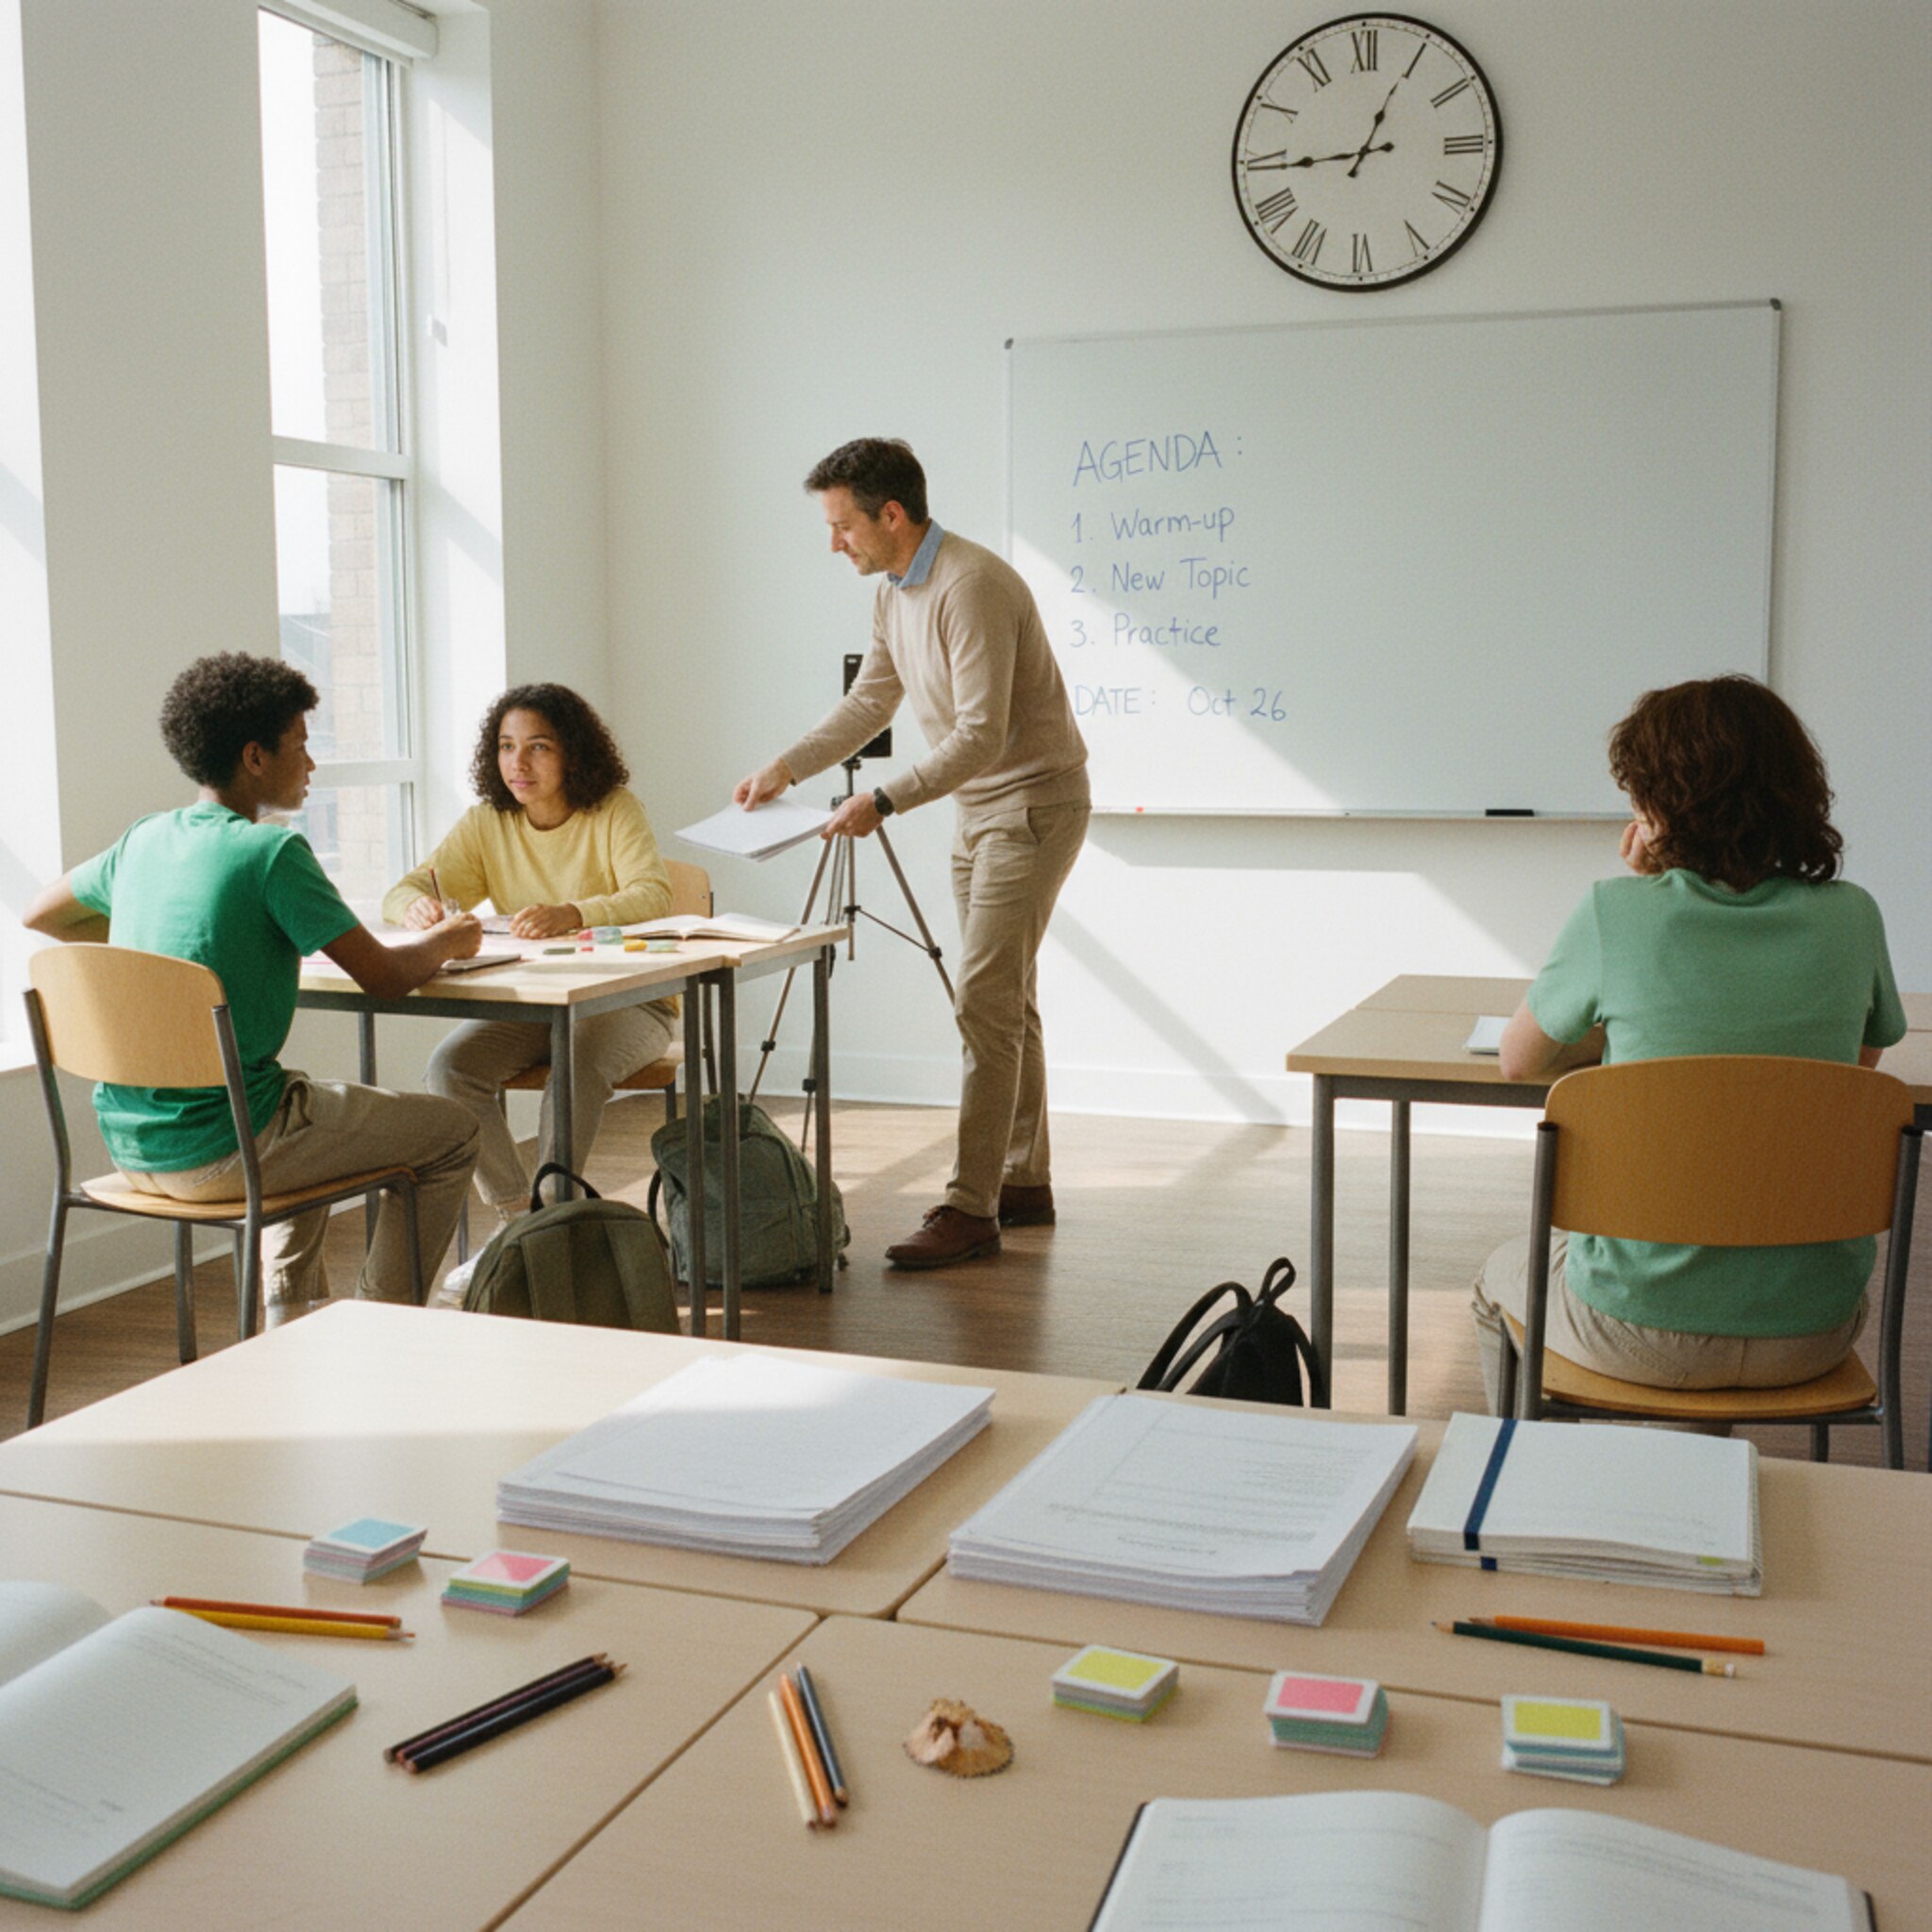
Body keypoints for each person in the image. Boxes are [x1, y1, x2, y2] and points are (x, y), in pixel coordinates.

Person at [1472, 675, 1907, 1404]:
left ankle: (1540, 1485)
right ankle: (1691, 1489)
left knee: (1497, 1279)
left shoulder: (1615, 913)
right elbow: (1851, 1068)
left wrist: (1644, 898)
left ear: (1661, 804)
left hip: (1639, 1327)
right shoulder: (1854, 918)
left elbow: (1522, 1059)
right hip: (1814, 1329)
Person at [24, 652, 483, 1324]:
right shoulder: (271, 852)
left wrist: (153, 964)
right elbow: (384, 979)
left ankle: (288, 1323)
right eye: (300, 743)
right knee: (453, 1133)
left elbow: (42, 913)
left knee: (307, 1102)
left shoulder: (144, 840)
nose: (311, 762)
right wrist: (450, 940)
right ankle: (383, 1323)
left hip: (128, 1146)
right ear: (255, 757)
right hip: (227, 1151)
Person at [736, 438, 1090, 1270]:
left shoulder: (970, 586)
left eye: (842, 525)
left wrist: (886, 800)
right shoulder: (898, 589)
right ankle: (1022, 1180)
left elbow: (982, 732)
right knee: (1005, 999)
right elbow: (873, 698)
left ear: (891, 515)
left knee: (983, 1001)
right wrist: (786, 766)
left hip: (1033, 807)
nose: (835, 543)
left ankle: (972, 1209)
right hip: (980, 809)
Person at [383, 683, 675, 1224]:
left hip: (634, 1001)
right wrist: (417, 911)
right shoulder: (487, 822)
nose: (518, 762)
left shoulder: (614, 809)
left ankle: (558, 1212)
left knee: (577, 1062)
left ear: (573, 754)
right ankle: (524, 1220)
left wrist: (572, 912)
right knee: (450, 1070)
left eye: (538, 746)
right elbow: (403, 889)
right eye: (505, 745)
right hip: (542, 1004)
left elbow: (654, 894)